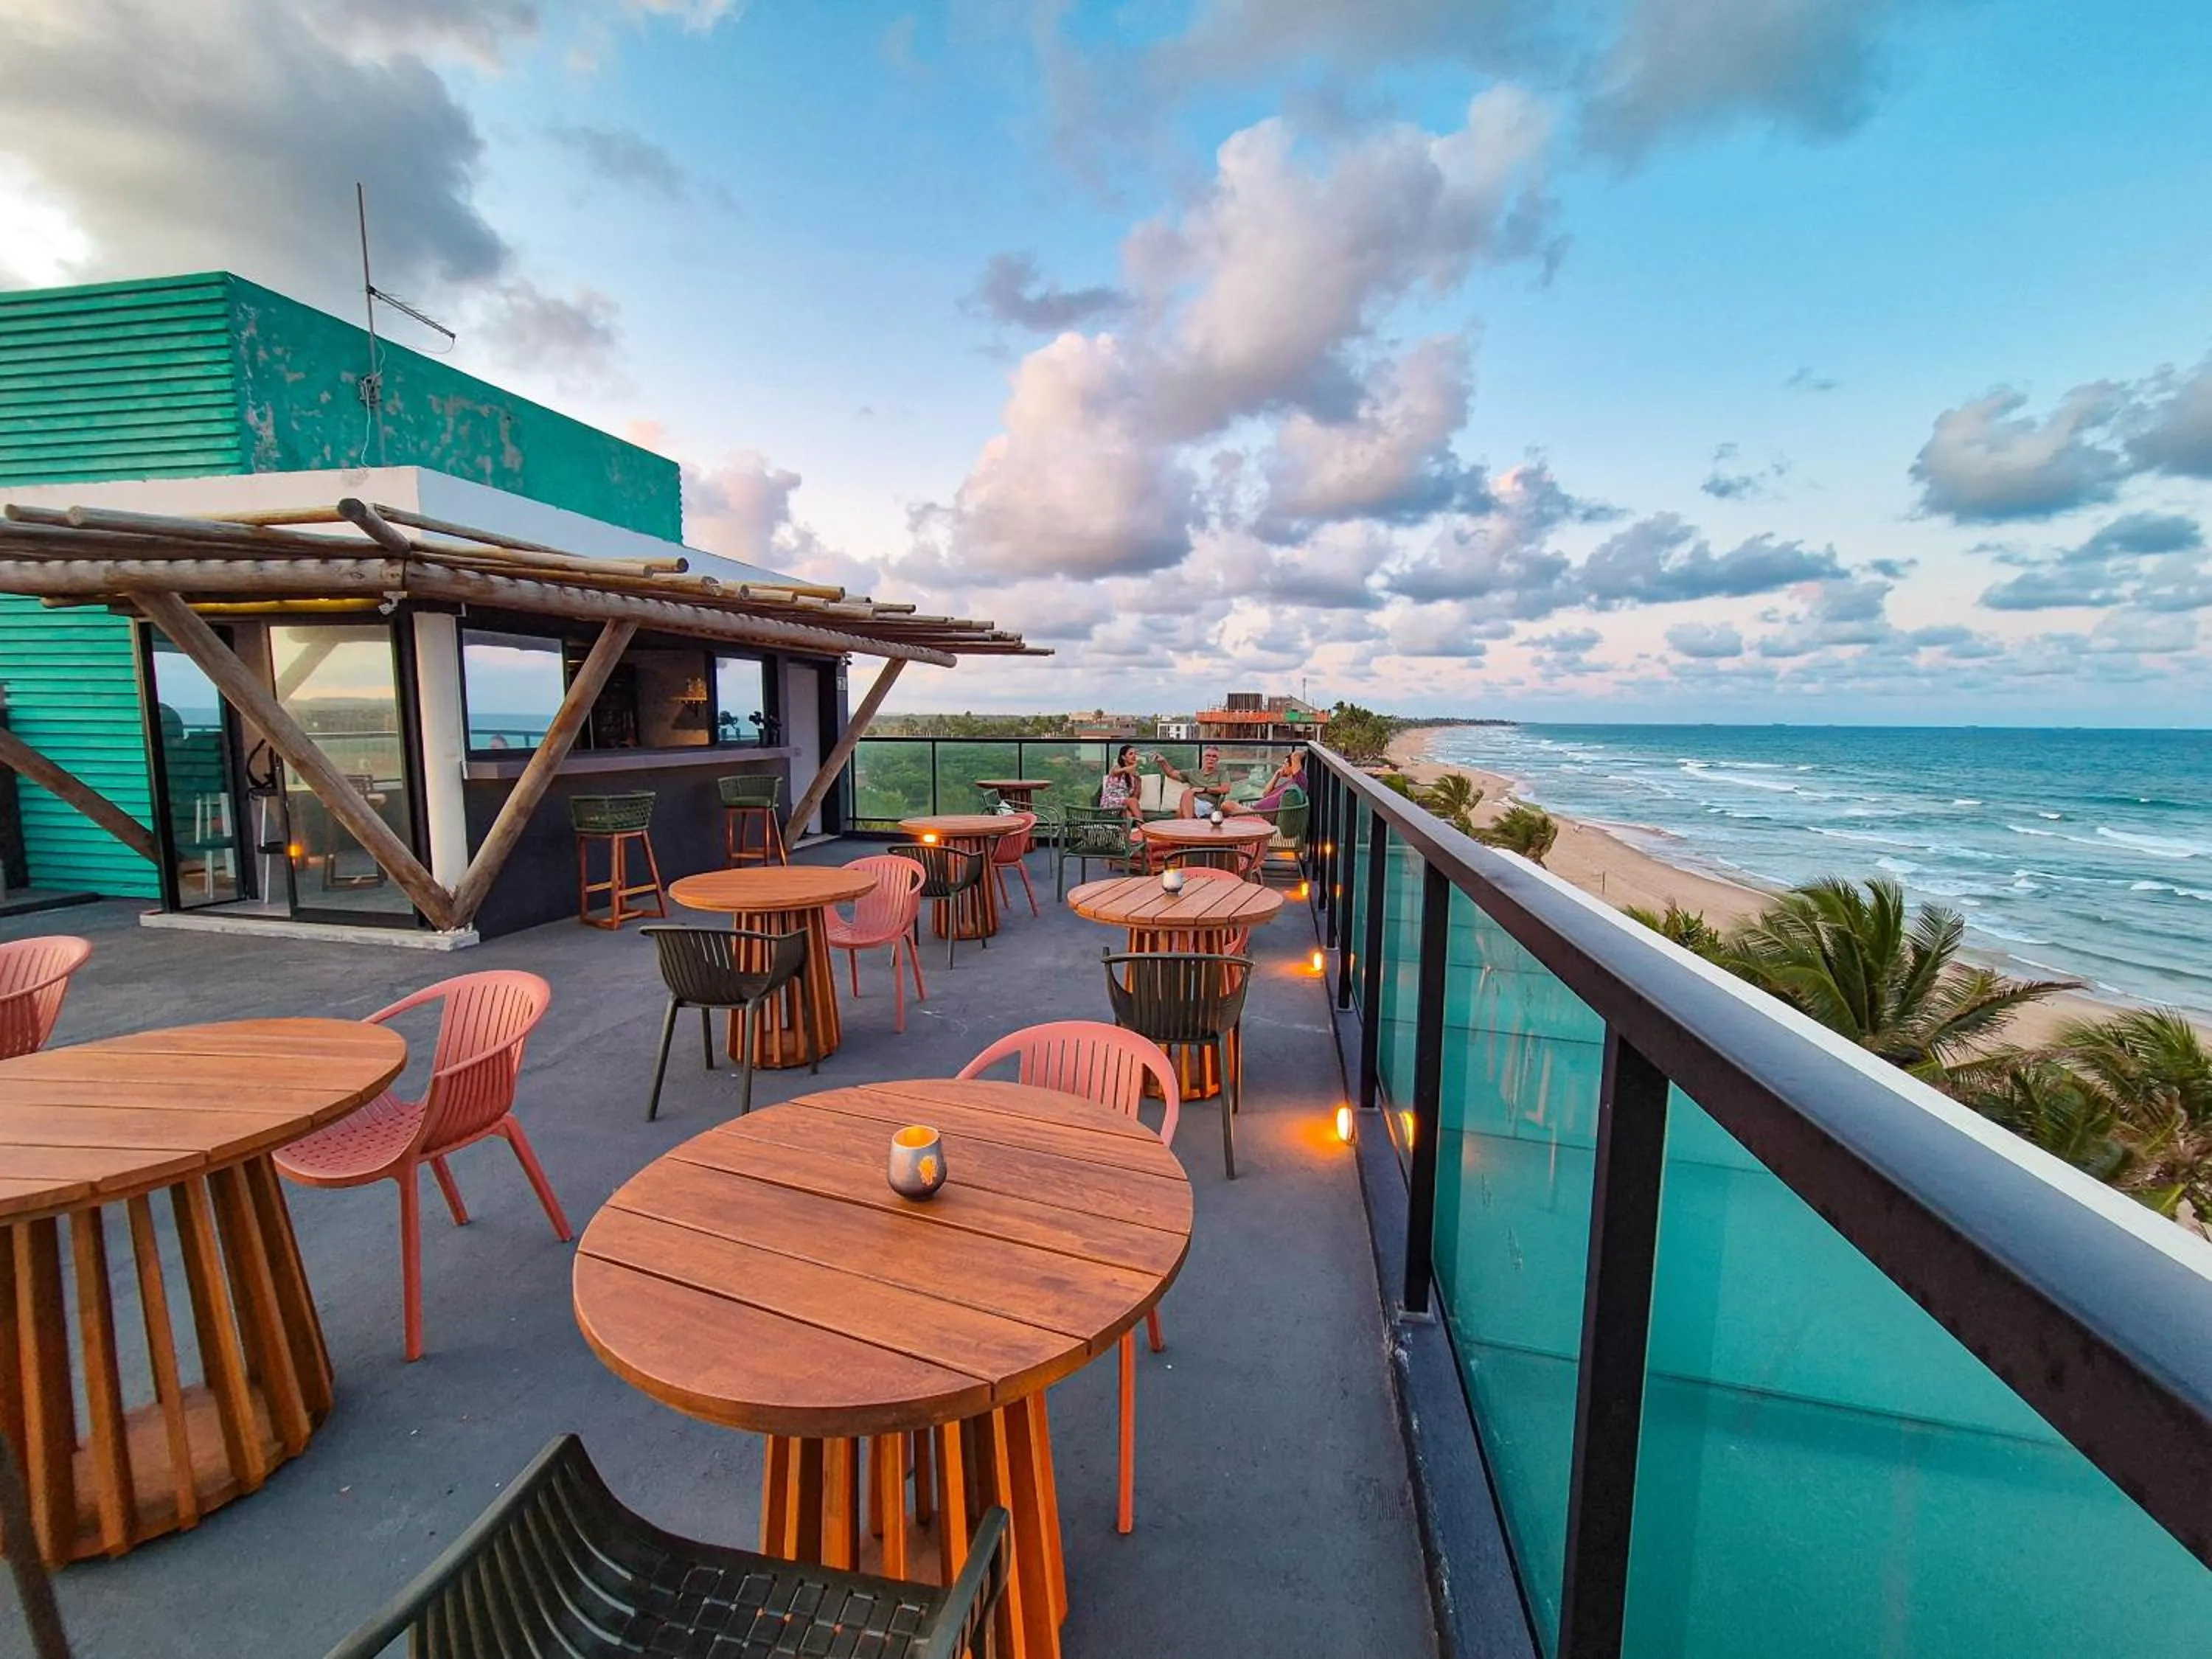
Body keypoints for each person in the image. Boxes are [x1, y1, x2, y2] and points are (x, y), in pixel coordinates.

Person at [1154, 745, 1240, 818]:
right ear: (1203, 758)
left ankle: (1189, 824)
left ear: (1217, 760)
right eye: (1208, 756)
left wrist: (1205, 789)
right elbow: (1171, 773)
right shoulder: (1193, 773)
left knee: (1184, 802)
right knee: (1183, 802)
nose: (1211, 759)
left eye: (1214, 757)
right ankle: (1190, 824)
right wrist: (1162, 761)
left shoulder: (1222, 773)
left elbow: (1225, 789)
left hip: (1209, 806)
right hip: (1192, 803)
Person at [1246, 748, 1307, 817]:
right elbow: (1265, 793)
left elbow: (1295, 755)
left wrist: (1307, 751)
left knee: (1235, 808)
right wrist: (1276, 776)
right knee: (1236, 808)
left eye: (1284, 764)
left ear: (1292, 766)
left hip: (1260, 815)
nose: (1282, 767)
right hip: (1255, 812)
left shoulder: (1299, 780)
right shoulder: (1290, 782)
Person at [1099, 742, 1144, 827]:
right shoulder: (1117, 768)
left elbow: (1135, 797)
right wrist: (1133, 766)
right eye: (1131, 754)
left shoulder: (1133, 776)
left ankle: (1130, 834)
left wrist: (1138, 780)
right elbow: (1117, 772)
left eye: (1135, 754)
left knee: (1128, 814)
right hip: (1110, 803)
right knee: (1132, 802)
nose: (1134, 756)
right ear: (1123, 757)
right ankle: (1143, 829)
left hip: (1123, 805)